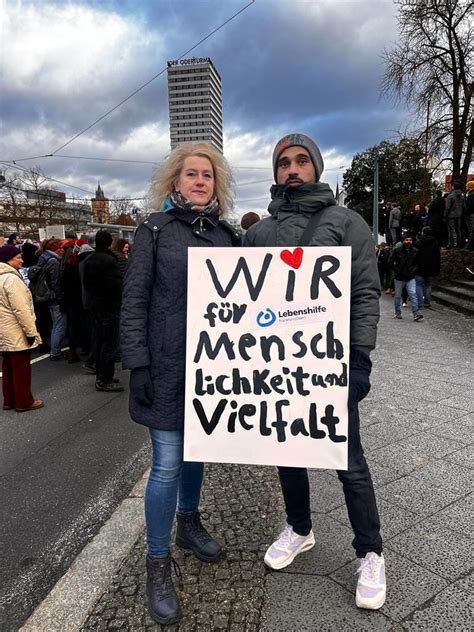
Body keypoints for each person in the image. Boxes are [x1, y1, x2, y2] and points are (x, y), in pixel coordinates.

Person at [244, 133, 386, 610]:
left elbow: (365, 292)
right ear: (275, 171)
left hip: (330, 361)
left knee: (350, 463)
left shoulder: (347, 222)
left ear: (317, 167)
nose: (292, 169)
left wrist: (360, 358)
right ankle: (300, 528)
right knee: (287, 452)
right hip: (278, 366)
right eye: (284, 162)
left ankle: (370, 551)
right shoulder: (259, 233)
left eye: (301, 160)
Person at [121, 142, 240, 625]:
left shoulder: (227, 236)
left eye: (207, 175)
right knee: (167, 463)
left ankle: (188, 522)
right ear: (174, 182)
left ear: (216, 184)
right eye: (190, 173)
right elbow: (134, 301)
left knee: (198, 451)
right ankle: (157, 562)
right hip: (167, 367)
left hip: (211, 369)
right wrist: (139, 364)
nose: (199, 181)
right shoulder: (153, 230)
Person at [0, 245, 43, 412]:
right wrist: (31, 332)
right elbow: (21, 309)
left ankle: (9, 400)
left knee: (8, 366)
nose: (22, 260)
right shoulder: (11, 279)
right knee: (21, 368)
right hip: (16, 329)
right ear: (8, 260)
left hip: (4, 329)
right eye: (18, 257)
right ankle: (24, 401)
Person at [82, 230, 123, 392]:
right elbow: (115, 285)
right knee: (109, 343)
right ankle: (105, 378)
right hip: (108, 306)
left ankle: (102, 374)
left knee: (100, 342)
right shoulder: (109, 260)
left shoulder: (89, 259)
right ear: (109, 243)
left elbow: (87, 284)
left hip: (95, 305)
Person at [38, 239, 67, 360]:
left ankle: (52, 346)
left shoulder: (43, 257)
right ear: (55, 248)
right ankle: (55, 352)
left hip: (45, 296)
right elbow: (56, 283)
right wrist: (60, 298)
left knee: (53, 323)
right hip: (54, 298)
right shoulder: (54, 261)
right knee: (60, 324)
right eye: (60, 247)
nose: (62, 250)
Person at [389, 233, 424, 321]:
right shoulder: (397, 250)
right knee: (397, 296)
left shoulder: (415, 251)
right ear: (403, 240)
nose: (409, 242)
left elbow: (418, 263)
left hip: (410, 276)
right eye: (407, 240)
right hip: (399, 277)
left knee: (413, 294)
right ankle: (397, 313)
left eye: (410, 240)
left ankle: (416, 313)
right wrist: (397, 270)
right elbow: (390, 262)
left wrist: (413, 270)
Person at [414, 226, 440, 309]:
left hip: (419, 267)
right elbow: (437, 257)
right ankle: (427, 302)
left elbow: (415, 255)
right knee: (428, 285)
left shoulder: (418, 242)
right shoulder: (435, 242)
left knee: (418, 285)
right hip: (431, 267)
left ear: (423, 232)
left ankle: (419, 303)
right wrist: (437, 268)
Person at [444, 181, 464, 248]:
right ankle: (459, 244)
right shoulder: (462, 196)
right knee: (458, 229)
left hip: (451, 216)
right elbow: (464, 206)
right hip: (459, 215)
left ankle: (452, 244)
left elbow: (447, 207)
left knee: (451, 230)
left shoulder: (451, 196)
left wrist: (445, 215)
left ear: (453, 187)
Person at [465, 180, 474, 250]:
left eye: (467, 186)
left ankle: (471, 245)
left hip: (471, 215)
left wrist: (465, 211)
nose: (466, 188)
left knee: (471, 230)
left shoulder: (471, 195)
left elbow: (470, 206)